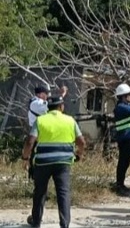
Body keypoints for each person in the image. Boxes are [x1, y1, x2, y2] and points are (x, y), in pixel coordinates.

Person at [22, 95, 86, 228]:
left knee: (40, 192)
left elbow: (30, 141)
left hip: (42, 163)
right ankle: (64, 224)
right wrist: (79, 154)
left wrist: (25, 158)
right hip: (63, 163)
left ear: (48, 108)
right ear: (61, 106)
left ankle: (36, 222)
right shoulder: (70, 120)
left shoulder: (40, 120)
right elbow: (81, 142)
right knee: (63, 193)